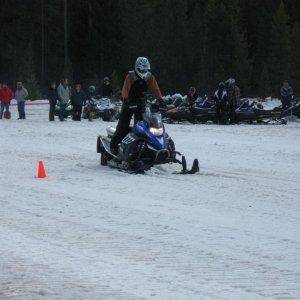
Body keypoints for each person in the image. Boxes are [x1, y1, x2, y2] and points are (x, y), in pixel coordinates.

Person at [110, 57, 164, 154]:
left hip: (141, 103)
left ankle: (141, 147)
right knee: (123, 126)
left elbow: (155, 89)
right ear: (137, 68)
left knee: (142, 127)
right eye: (141, 69)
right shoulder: (131, 76)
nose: (143, 71)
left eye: (145, 69)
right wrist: (125, 99)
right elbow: (125, 89)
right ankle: (113, 146)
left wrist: (160, 100)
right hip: (129, 103)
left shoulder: (149, 77)